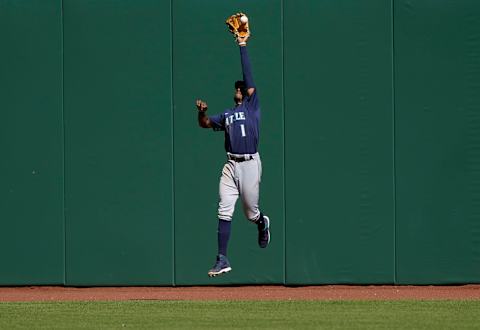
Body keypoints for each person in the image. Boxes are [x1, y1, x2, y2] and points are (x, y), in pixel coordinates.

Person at [195, 34, 270, 277]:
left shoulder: (252, 106)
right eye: (237, 88)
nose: (239, 89)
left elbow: (248, 76)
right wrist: (202, 113)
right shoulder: (227, 115)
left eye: (242, 88)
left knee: (250, 213)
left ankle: (261, 222)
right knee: (224, 209)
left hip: (249, 163)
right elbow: (205, 124)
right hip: (231, 164)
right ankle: (222, 258)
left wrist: (242, 45)